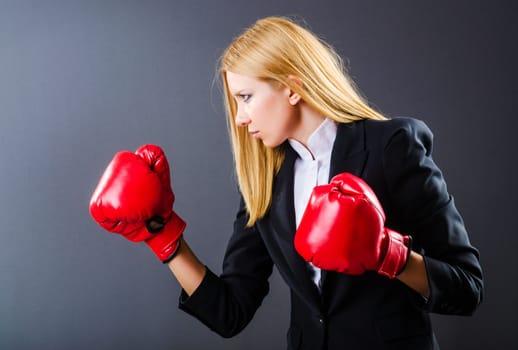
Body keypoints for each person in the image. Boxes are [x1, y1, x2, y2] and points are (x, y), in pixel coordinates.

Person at [89, 16, 483, 350]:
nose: (240, 119)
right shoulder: (266, 179)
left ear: (292, 87)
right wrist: (163, 237)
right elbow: (230, 312)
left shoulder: (390, 147)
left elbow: (467, 288)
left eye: (246, 96)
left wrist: (387, 256)